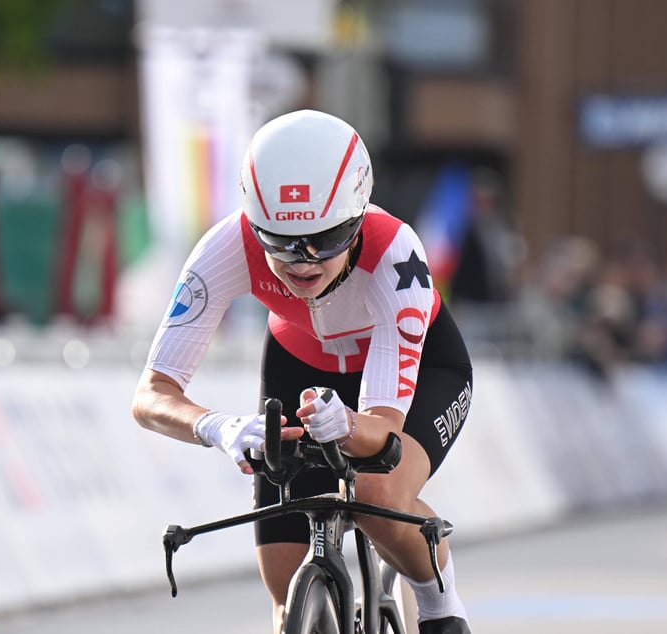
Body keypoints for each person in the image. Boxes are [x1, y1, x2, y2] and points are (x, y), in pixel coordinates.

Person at [132, 109, 474, 634]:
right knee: (282, 583)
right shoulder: (228, 245)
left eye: (327, 238)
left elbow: (383, 431)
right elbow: (152, 394)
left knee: (378, 499)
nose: (303, 262)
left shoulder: (395, 253)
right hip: (301, 367)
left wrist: (352, 427)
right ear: (253, 222)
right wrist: (219, 428)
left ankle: (442, 608)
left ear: (358, 219)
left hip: (421, 370)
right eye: (279, 242)